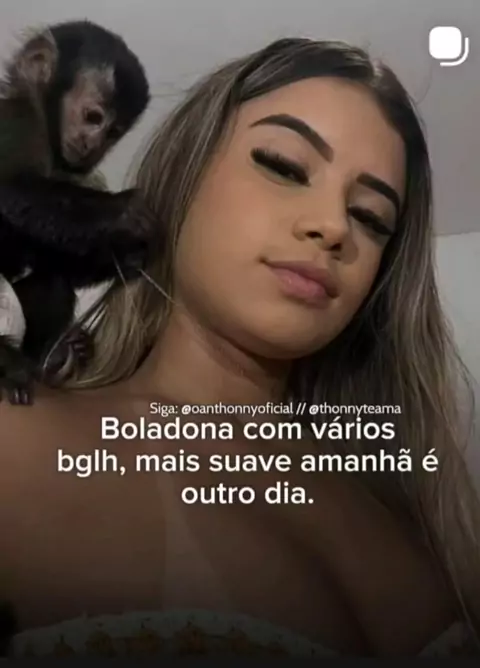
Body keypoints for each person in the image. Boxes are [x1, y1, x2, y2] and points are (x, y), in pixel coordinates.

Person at [0, 37, 479, 657]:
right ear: (183, 176)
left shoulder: (433, 528)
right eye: (284, 166)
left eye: (371, 218)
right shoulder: (14, 439)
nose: (334, 226)